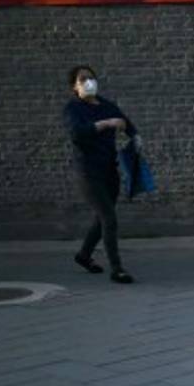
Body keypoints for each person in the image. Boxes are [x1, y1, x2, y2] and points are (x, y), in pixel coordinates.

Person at [63, 65, 140, 283]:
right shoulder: (73, 109)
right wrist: (105, 124)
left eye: (91, 78)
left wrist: (135, 136)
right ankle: (117, 268)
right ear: (74, 87)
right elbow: (77, 134)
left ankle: (84, 255)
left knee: (103, 218)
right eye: (82, 79)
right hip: (88, 172)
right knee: (109, 218)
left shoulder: (106, 105)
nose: (89, 82)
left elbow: (125, 122)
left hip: (109, 169)